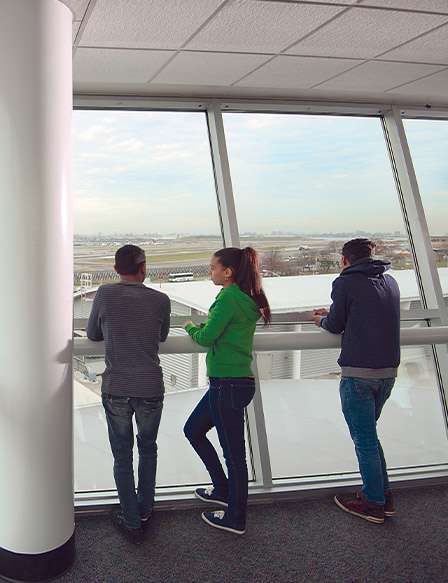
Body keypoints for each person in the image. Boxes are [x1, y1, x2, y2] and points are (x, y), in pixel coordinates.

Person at [183, 247, 271, 535]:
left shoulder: (228, 298)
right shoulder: (247, 298)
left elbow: (207, 338)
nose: (210, 271)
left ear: (228, 271)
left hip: (227, 384)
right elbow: (226, 330)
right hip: (235, 382)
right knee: (193, 430)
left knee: (234, 456)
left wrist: (189, 328)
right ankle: (222, 489)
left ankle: (236, 518)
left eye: (212, 267)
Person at [87, 244, 170, 544]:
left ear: (116, 269)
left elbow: (92, 334)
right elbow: (160, 336)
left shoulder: (104, 294)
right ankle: (145, 510)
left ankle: (131, 521)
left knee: (122, 457)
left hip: (117, 388)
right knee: (148, 449)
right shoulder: (161, 300)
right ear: (144, 268)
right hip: (150, 387)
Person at [313, 238, 400, 524]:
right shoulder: (390, 283)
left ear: (344, 260)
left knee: (364, 439)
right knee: (370, 436)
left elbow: (336, 324)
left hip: (359, 374)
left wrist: (321, 321)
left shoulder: (345, 282)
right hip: (388, 373)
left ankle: (373, 502)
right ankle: (383, 496)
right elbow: (369, 317)